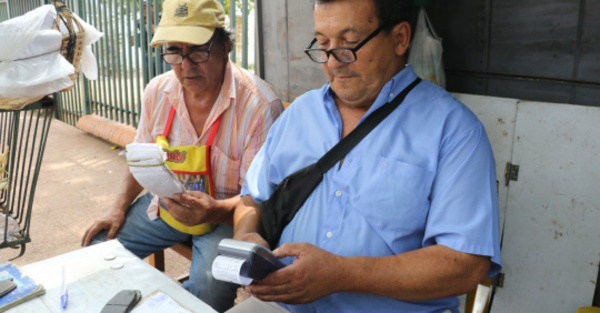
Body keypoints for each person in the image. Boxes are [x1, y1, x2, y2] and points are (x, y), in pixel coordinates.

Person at [232, 0, 502, 312]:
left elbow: (466, 265)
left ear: (400, 38)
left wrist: (341, 275)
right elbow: (251, 198)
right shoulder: (299, 115)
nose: (334, 61)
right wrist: (246, 233)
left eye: (349, 43)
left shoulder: (455, 131)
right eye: (323, 43)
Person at [81, 0, 283, 311]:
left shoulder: (258, 105)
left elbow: (254, 198)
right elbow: (140, 160)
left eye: (199, 50)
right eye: (174, 50)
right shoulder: (158, 91)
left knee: (207, 291)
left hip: (228, 216)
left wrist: (213, 210)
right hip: (168, 207)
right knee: (96, 252)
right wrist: (116, 210)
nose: (186, 65)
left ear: (225, 45)